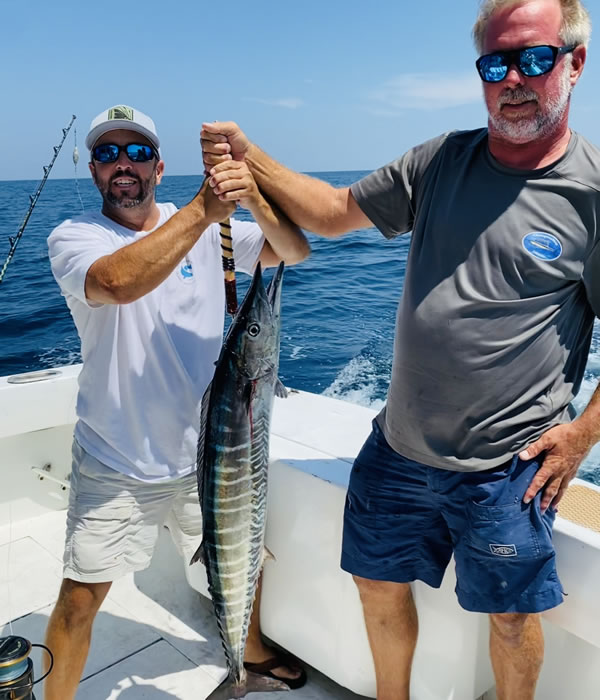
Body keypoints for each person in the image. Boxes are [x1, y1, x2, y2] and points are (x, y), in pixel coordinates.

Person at [200, 1, 600, 698]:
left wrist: (582, 436)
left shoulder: (592, 195)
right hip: (398, 448)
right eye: (495, 62)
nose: (514, 78)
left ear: (574, 62)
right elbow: (330, 212)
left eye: (534, 58)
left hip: (508, 467)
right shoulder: (442, 161)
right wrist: (250, 156)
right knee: (377, 586)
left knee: (510, 617)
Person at [44, 104, 310, 700]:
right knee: (82, 596)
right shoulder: (76, 237)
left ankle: (249, 657)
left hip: (212, 454)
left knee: (244, 554)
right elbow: (117, 282)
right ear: (92, 170)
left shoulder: (218, 232)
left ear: (159, 167)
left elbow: (293, 250)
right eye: (109, 153)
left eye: (137, 153)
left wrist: (250, 193)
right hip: (118, 457)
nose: (123, 165)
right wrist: (203, 209)